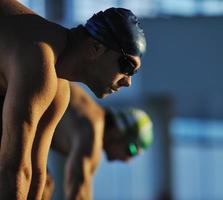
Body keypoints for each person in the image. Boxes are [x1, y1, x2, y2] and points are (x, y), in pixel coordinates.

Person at [0, 0, 147, 199]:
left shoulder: (60, 91)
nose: (127, 82)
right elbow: (13, 170)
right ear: (95, 48)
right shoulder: (40, 62)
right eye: (127, 67)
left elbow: (34, 174)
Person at [47, 83, 153, 200]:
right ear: (118, 132)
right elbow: (79, 195)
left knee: (45, 184)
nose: (127, 160)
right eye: (131, 150)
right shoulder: (93, 132)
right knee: (42, 186)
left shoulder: (90, 113)